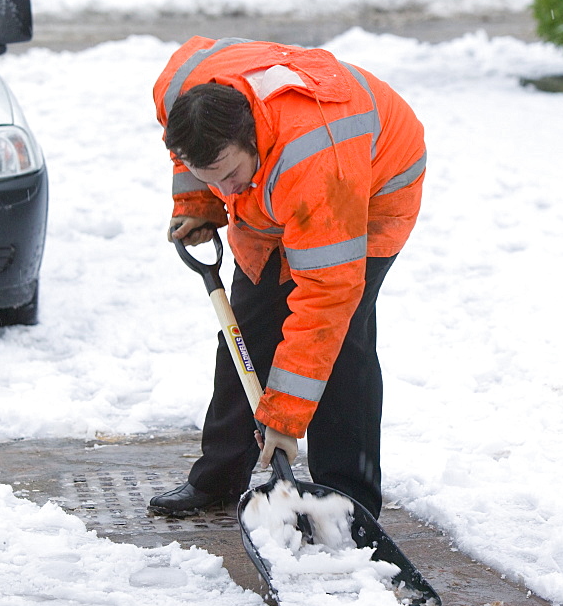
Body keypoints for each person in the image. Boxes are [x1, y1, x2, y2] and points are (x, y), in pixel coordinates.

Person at [148, 36, 426, 520]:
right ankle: (219, 476)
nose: (223, 189)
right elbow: (195, 159)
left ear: (252, 138)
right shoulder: (183, 97)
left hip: (369, 188)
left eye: (228, 175)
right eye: (211, 177)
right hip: (277, 188)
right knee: (245, 332)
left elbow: (325, 300)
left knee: (341, 343)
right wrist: (200, 203)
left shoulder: (317, 164)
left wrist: (284, 419)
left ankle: (349, 499)